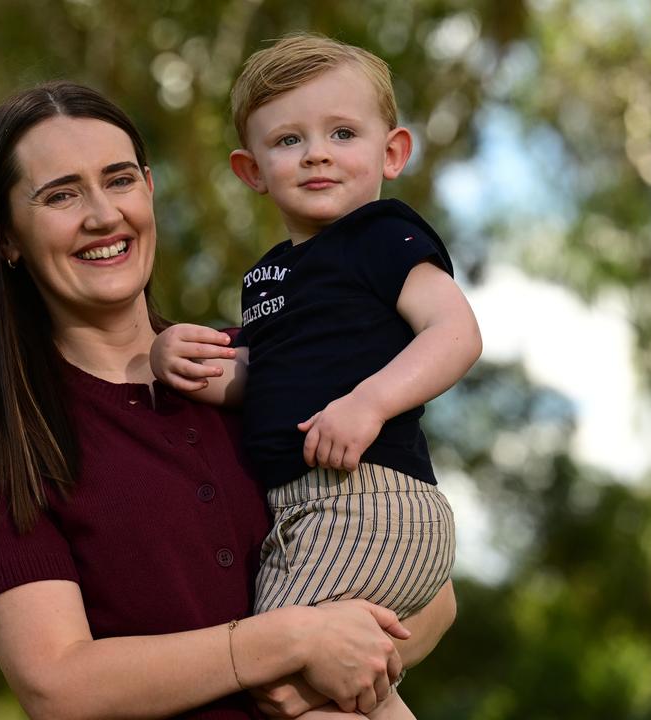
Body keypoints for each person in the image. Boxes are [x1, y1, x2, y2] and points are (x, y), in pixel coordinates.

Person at [0, 80, 456, 720]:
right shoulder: (6, 440)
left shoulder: (258, 363)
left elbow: (433, 594)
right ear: (6, 236)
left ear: (150, 191)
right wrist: (290, 643)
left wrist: (317, 678)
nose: (103, 214)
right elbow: (59, 686)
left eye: (120, 180)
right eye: (61, 195)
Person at [151, 34, 482, 719]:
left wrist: (368, 403)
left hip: (366, 500)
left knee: (276, 675)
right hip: (306, 512)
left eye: (342, 132)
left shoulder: (384, 236)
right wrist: (178, 360)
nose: (318, 153)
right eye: (289, 140)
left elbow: (457, 334)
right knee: (342, 684)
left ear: (391, 152)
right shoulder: (268, 276)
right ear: (251, 169)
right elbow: (261, 381)